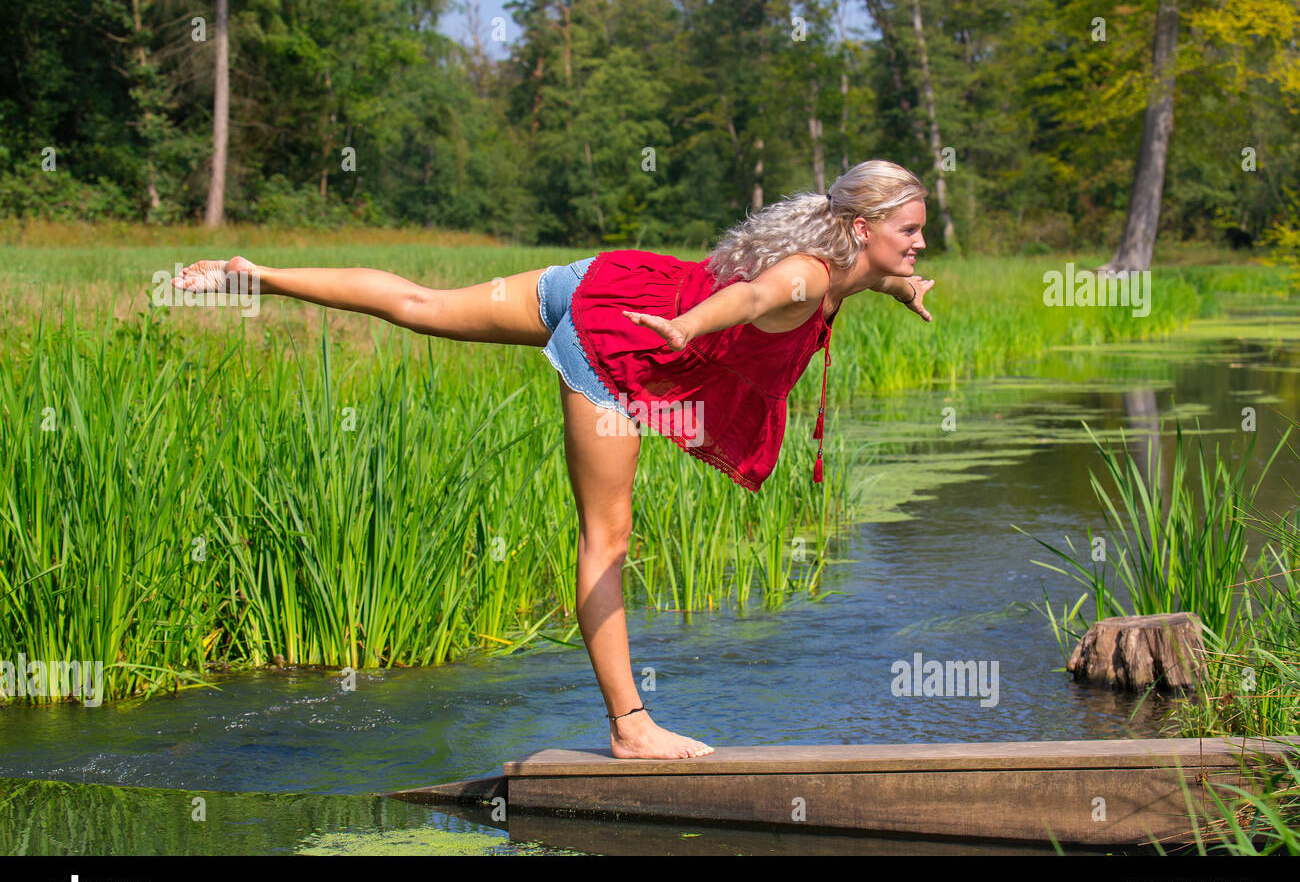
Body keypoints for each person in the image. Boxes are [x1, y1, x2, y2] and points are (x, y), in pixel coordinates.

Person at [170, 158, 935, 760]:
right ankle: (630, 726)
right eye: (909, 232)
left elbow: (857, 279)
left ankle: (254, 276)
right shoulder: (805, 274)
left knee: (424, 306)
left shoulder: (855, 263)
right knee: (607, 537)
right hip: (622, 344)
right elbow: (755, 297)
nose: (920, 243)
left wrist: (904, 286)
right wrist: (687, 328)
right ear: (862, 228)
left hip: (605, 279)